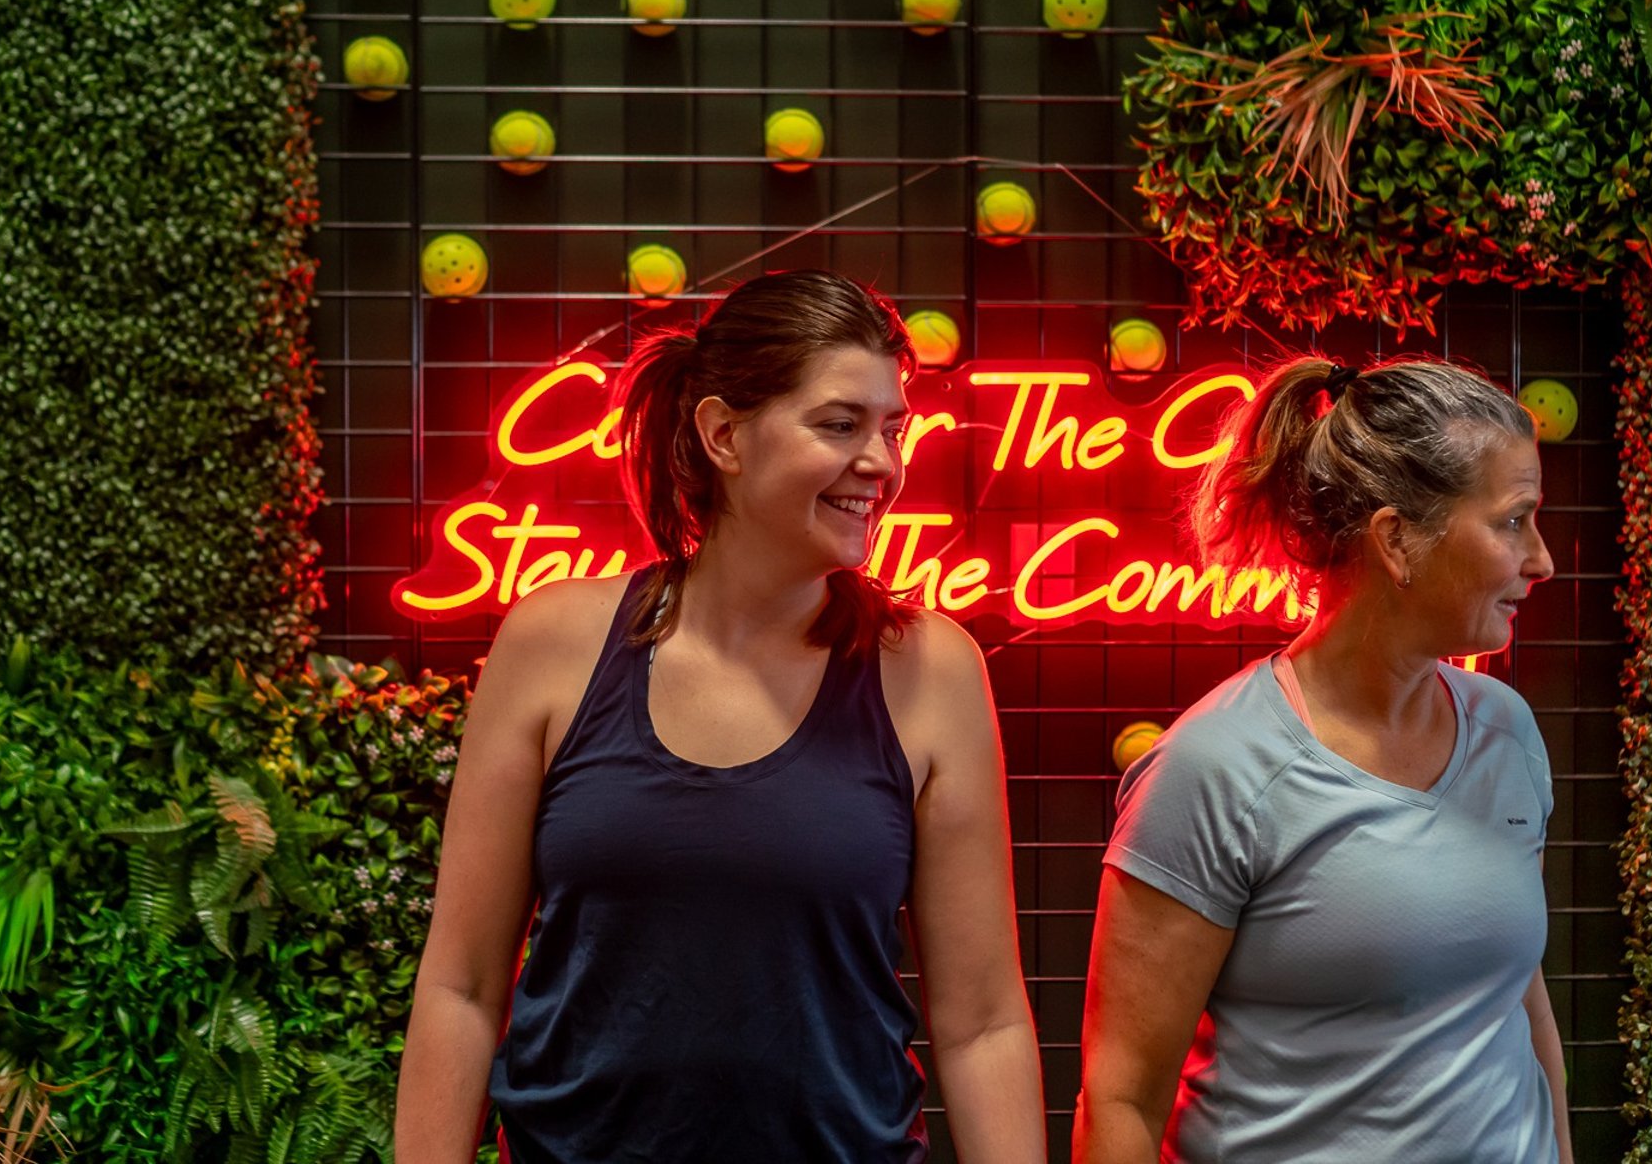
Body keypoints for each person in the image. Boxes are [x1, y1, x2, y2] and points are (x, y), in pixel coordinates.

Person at [395, 270, 1045, 1164]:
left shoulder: (932, 672)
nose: (884, 464)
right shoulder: (553, 643)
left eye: (893, 429)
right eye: (840, 424)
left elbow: (983, 1025)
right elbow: (462, 989)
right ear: (723, 434)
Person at [1074, 357, 1574, 1164]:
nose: (1542, 560)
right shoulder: (1216, 768)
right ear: (1397, 540)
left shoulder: (1507, 732)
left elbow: (1518, 1002)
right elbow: (1121, 1101)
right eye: (1514, 521)